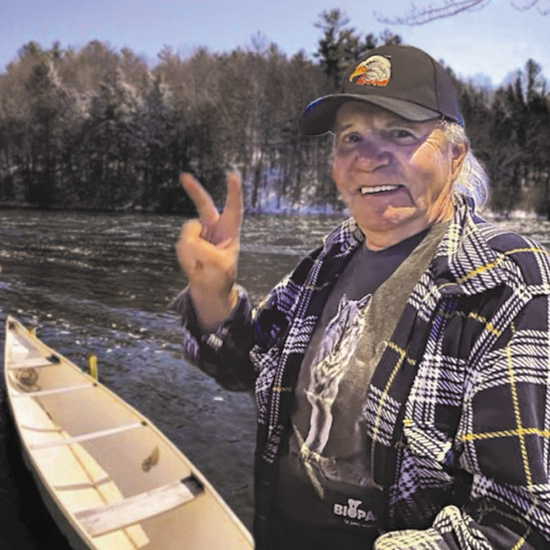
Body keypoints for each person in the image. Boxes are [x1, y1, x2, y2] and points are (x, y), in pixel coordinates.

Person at [172, 44, 550, 549]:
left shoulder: (507, 279)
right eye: (351, 137)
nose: (368, 160)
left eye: (400, 133)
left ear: (455, 156)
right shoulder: (333, 256)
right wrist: (213, 295)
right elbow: (250, 368)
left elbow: (518, 525)